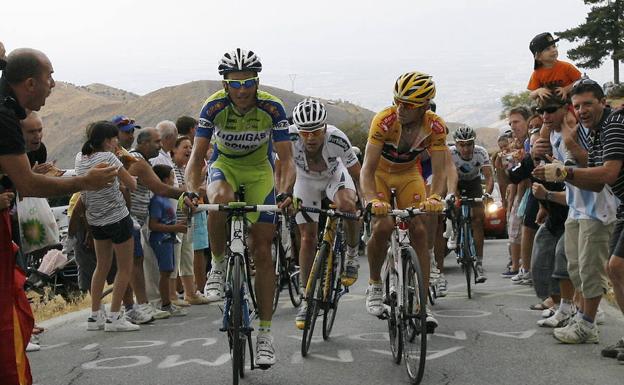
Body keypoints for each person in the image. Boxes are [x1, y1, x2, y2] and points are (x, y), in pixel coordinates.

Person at [0, 47, 117, 385]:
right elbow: (26, 182)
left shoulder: (9, 109)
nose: (54, 83)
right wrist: (85, 181)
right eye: (50, 76)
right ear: (31, 82)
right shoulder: (5, 116)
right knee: (9, 329)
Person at [185, 48, 295, 367]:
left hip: (260, 171)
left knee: (262, 251)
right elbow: (196, 158)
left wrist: (285, 191)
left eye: (249, 81)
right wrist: (192, 191)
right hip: (225, 166)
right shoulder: (214, 106)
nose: (243, 89)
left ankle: (264, 334)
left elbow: (286, 160)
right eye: (236, 82)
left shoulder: (272, 107)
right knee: (218, 199)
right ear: (225, 83)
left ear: (257, 81)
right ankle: (218, 265)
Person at [536, 78, 624, 349]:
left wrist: (565, 171)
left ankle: (586, 322)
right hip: (617, 207)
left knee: (605, 269)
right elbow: (597, 180)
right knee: (613, 269)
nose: (582, 110)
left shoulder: (611, 126)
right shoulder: (597, 129)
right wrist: (563, 170)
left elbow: (608, 174)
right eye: (578, 105)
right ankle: (584, 320)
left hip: (600, 213)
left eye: (588, 104)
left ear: (602, 103)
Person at [360, 71, 447, 331]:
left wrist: (435, 196)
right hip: (380, 174)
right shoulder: (384, 120)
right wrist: (370, 199)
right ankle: (375, 283)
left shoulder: (436, 126)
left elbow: (440, 171)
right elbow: (366, 169)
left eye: (407, 104)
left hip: (409, 174)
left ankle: (422, 303)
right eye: (397, 100)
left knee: (419, 228)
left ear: (423, 106)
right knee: (383, 226)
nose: (400, 108)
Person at [288, 98, 361, 329]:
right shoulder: (288, 137)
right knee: (307, 237)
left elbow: (357, 174)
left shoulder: (337, 138)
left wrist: (365, 200)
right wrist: (283, 194)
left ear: (325, 127)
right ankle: (307, 296)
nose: (310, 138)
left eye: (316, 132)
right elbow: (278, 167)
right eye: (304, 132)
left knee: (347, 206)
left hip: (333, 177)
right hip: (304, 181)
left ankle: (351, 253)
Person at [76, 121, 139, 332]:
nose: (116, 142)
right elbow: (132, 185)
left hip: (95, 220)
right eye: (114, 139)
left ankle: (95, 315)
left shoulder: (80, 157)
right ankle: (114, 316)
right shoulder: (109, 157)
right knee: (124, 267)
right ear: (106, 141)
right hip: (117, 218)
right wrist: (127, 171)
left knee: (101, 266)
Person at [127, 127, 186, 319]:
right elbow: (160, 188)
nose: (160, 146)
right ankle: (142, 304)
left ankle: (142, 304)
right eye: (157, 142)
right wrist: (187, 193)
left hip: (138, 219)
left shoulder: (142, 161)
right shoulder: (139, 161)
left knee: (138, 262)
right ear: (144, 143)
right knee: (136, 263)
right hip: (132, 219)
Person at [449, 125, 493, 282]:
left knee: (478, 220)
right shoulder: (450, 153)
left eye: (469, 144)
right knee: (452, 202)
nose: (466, 148)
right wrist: (454, 195)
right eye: (462, 144)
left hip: (473, 182)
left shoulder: (481, 153)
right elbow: (448, 176)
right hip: (455, 181)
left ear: (474, 144)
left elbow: (488, 177)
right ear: (456, 144)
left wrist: (487, 193)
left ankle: (479, 262)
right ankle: (454, 229)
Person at [149, 164, 189, 316]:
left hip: (168, 239)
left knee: (168, 270)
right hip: (161, 239)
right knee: (165, 272)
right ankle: (165, 303)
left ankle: (167, 302)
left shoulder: (166, 199)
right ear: (165, 180)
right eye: (172, 177)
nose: (174, 180)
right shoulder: (158, 200)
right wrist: (175, 228)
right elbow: (153, 225)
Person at [527, 32, 582, 102]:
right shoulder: (537, 74)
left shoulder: (566, 67)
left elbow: (580, 81)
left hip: (570, 102)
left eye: (554, 46)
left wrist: (566, 89)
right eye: (547, 49)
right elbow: (531, 95)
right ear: (538, 56)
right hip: (551, 106)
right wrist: (538, 91)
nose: (553, 50)